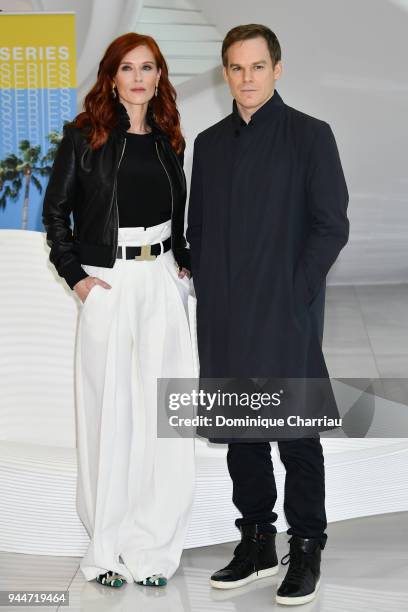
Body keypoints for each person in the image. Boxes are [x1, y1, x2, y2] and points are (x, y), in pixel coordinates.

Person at [187, 24, 349, 605]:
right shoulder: (209, 143)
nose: (247, 78)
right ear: (224, 74)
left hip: (288, 313)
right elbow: (198, 229)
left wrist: (296, 290)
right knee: (241, 434)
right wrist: (210, 284)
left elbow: (332, 225)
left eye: (257, 67)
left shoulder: (310, 136)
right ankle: (256, 539)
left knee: (297, 435)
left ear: (277, 69)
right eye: (236, 68)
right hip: (227, 315)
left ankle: (305, 546)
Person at [42, 32, 196, 588]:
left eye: (148, 67)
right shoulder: (85, 137)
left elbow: (178, 213)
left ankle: (153, 547)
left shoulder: (169, 140)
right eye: (127, 68)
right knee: (109, 415)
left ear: (159, 77)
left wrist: (182, 260)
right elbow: (55, 212)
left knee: (163, 417)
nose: (137, 77)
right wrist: (78, 279)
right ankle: (105, 548)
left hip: (160, 282)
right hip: (108, 281)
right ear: (111, 76)